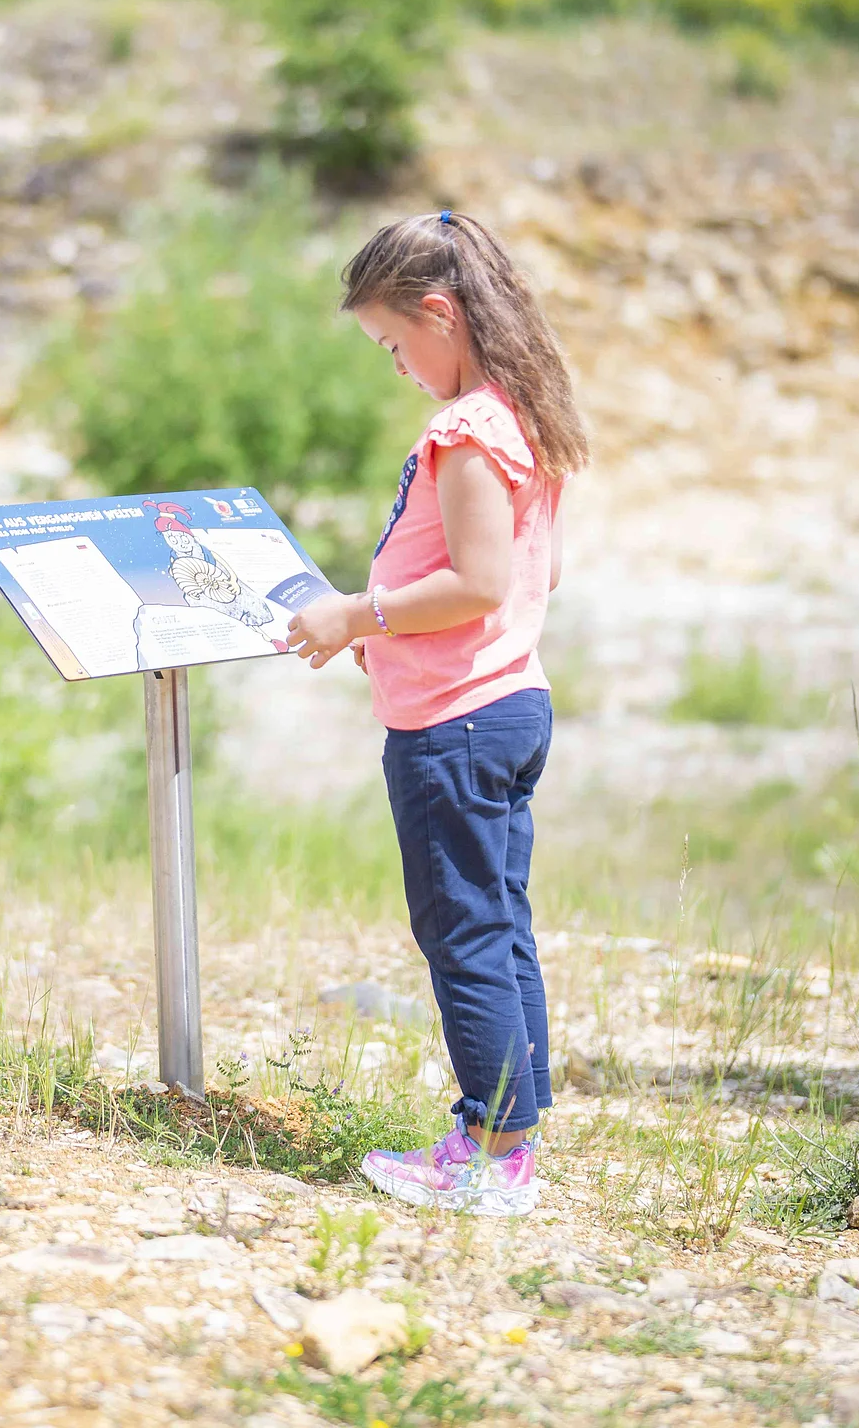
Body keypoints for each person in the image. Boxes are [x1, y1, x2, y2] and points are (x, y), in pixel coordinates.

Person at [285, 209, 588, 1216]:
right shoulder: (523, 414)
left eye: (393, 344)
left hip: (453, 724)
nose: (398, 368)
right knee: (498, 925)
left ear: (439, 313)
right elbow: (538, 572)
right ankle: (514, 1138)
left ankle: (491, 1154)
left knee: (463, 935)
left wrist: (358, 613)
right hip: (506, 704)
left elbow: (478, 582)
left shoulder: (465, 431)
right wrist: (385, 621)